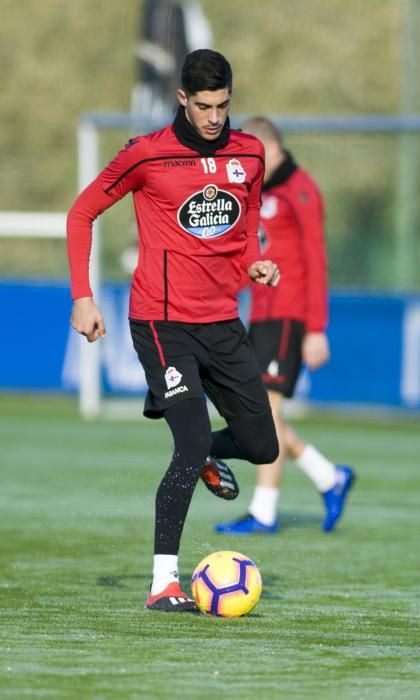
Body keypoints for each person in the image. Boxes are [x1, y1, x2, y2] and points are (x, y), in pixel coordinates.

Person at [66, 50, 280, 613]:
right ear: (182, 99)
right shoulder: (147, 154)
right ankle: (164, 583)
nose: (214, 117)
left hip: (221, 321)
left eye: (224, 104)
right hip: (161, 322)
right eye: (204, 105)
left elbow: (247, 225)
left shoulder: (250, 154)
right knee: (187, 442)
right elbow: (81, 213)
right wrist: (82, 297)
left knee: (263, 445)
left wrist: (255, 262)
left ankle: (204, 446)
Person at [214, 117, 355, 536]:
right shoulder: (255, 193)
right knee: (257, 413)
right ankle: (329, 477)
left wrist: (316, 327)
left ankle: (265, 511)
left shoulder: (301, 188)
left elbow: (315, 258)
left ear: (272, 149)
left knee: (264, 413)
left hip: (290, 315)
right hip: (261, 315)